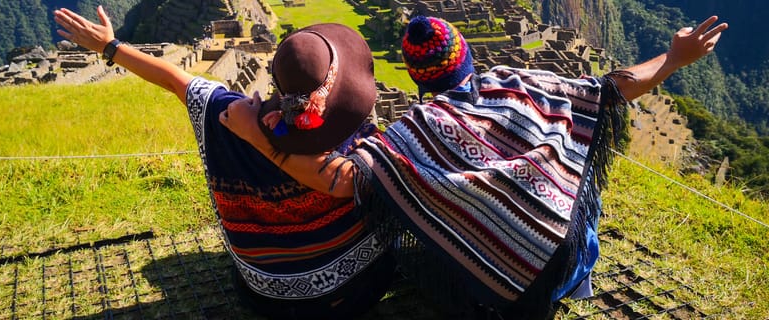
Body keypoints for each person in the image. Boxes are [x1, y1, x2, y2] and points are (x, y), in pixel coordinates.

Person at [225, 15, 728, 319]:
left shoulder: (414, 132)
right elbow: (613, 87)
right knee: (571, 176)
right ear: (467, 58)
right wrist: (676, 57)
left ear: (418, 79)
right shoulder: (519, 82)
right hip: (560, 260)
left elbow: (340, 181)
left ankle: (491, 282)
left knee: (411, 214)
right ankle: (565, 281)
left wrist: (258, 136)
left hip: (484, 281)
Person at [54, 6, 395, 320]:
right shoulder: (358, 140)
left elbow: (174, 80)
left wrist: (109, 46)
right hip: (360, 289)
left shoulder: (227, 116)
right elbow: (350, 181)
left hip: (268, 296)